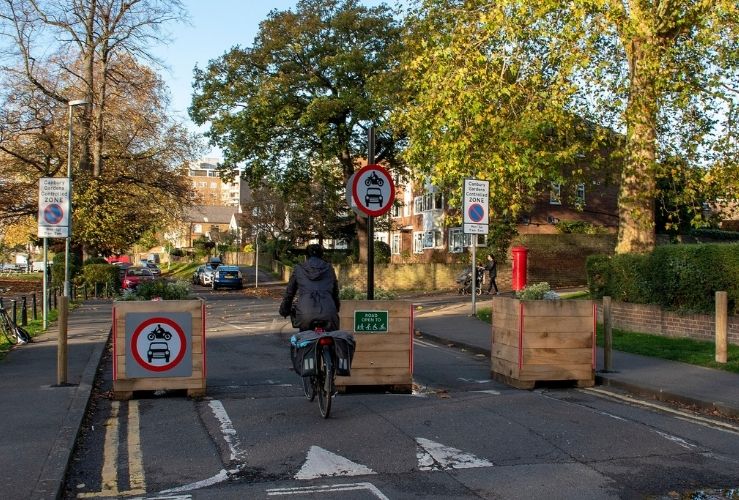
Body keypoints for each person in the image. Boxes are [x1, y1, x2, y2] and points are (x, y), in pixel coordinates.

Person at [279, 244, 341, 331]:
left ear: (306, 256)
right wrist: (336, 308)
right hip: (329, 314)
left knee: (302, 341)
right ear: (321, 255)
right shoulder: (329, 269)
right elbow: (335, 293)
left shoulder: (299, 269)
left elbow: (290, 293)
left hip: (305, 315)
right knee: (333, 338)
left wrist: (284, 310)